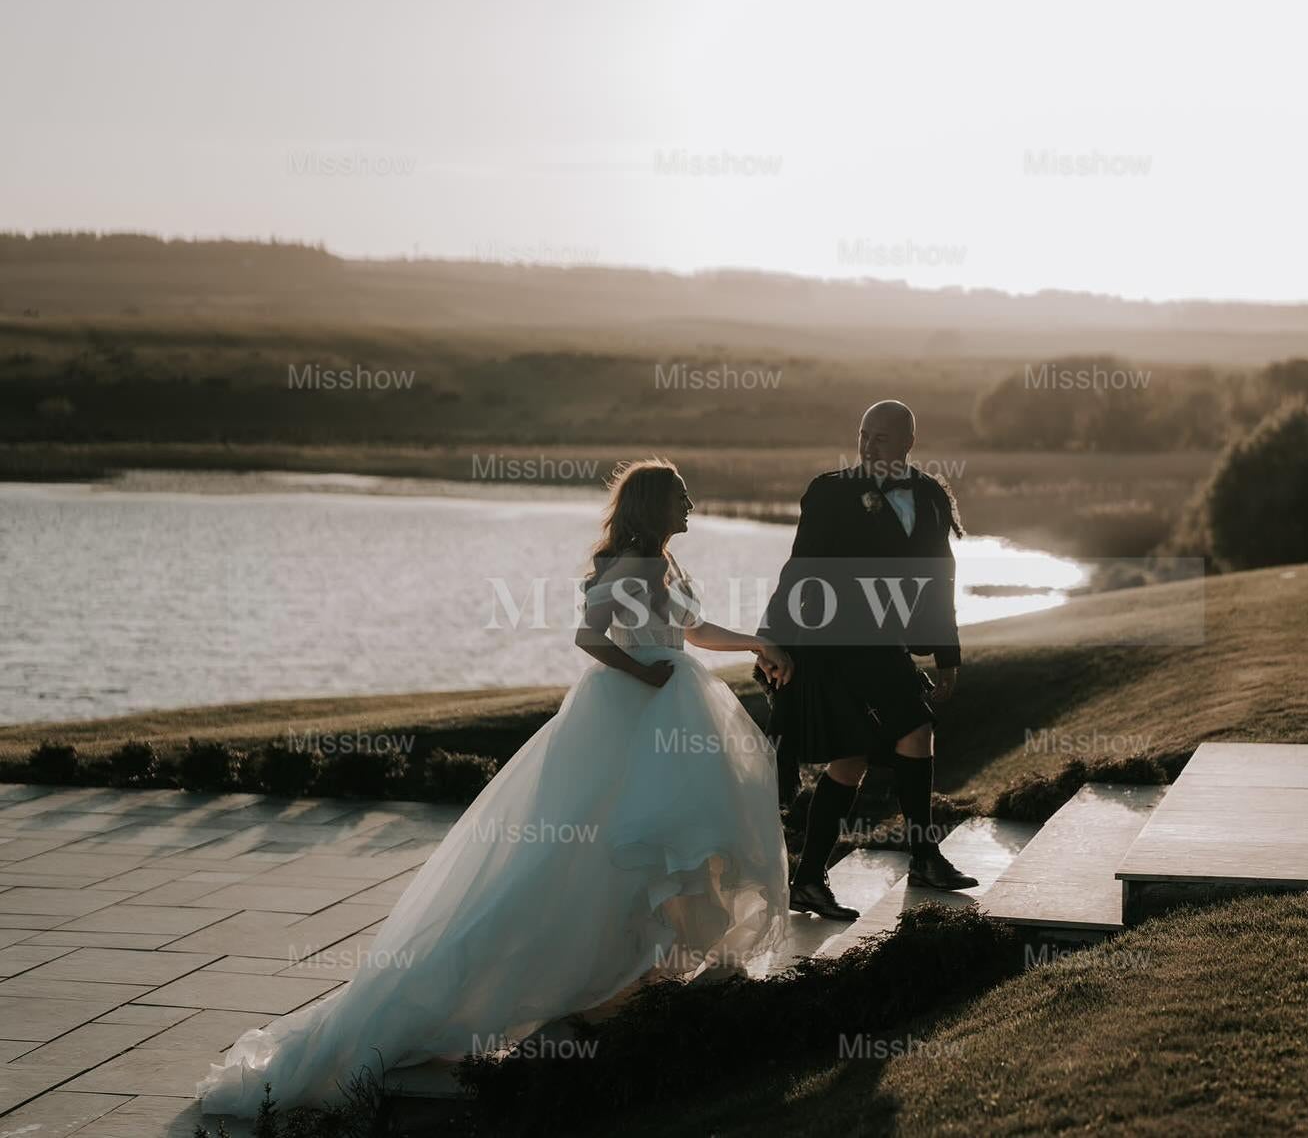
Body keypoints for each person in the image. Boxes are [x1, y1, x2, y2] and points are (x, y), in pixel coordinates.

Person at [196, 458, 793, 1114]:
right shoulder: (628, 564)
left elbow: (691, 631)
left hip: (672, 707)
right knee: (600, 846)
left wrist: (756, 643)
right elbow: (589, 636)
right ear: (653, 504)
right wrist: (643, 671)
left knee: (660, 839)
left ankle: (634, 979)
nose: (690, 504)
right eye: (680, 496)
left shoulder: (668, 567)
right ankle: (556, 987)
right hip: (629, 711)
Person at [756, 400, 978, 919]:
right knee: (906, 730)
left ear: (907, 443)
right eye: (862, 434)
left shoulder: (928, 495)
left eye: (879, 437)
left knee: (863, 752)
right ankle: (915, 856)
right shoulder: (830, 491)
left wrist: (947, 656)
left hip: (886, 643)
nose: (867, 444)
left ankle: (813, 877)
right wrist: (771, 637)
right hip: (832, 642)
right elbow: (800, 569)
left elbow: (939, 580)